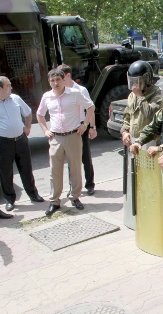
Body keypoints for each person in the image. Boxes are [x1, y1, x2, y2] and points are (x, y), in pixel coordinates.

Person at [36, 69, 95, 216]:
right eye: (52, 80)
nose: (55, 83)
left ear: (64, 80)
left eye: (58, 80)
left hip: (73, 136)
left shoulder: (74, 93)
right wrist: (45, 130)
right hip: (55, 138)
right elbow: (39, 114)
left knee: (75, 169)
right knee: (54, 171)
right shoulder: (47, 97)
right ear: (49, 82)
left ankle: (75, 197)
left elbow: (90, 107)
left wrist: (85, 124)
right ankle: (54, 201)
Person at [0, 76, 44, 211]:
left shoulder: (15, 99)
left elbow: (28, 113)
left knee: (26, 169)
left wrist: (28, 127)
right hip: (2, 142)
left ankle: (33, 194)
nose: (11, 87)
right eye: (8, 85)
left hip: (20, 139)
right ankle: (10, 200)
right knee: (6, 172)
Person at [57, 64, 97, 196]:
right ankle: (72, 188)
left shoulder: (81, 90)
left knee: (86, 157)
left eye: (61, 77)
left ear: (67, 75)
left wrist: (91, 127)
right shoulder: (59, 91)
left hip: (81, 126)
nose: (58, 81)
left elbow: (90, 109)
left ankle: (89, 184)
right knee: (71, 160)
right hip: (68, 128)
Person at [120, 60, 163, 148]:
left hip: (150, 142)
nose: (135, 85)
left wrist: (140, 96)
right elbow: (127, 116)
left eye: (138, 81)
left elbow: (149, 113)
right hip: (134, 140)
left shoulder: (158, 95)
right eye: (133, 81)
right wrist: (125, 132)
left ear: (147, 80)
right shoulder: (133, 95)